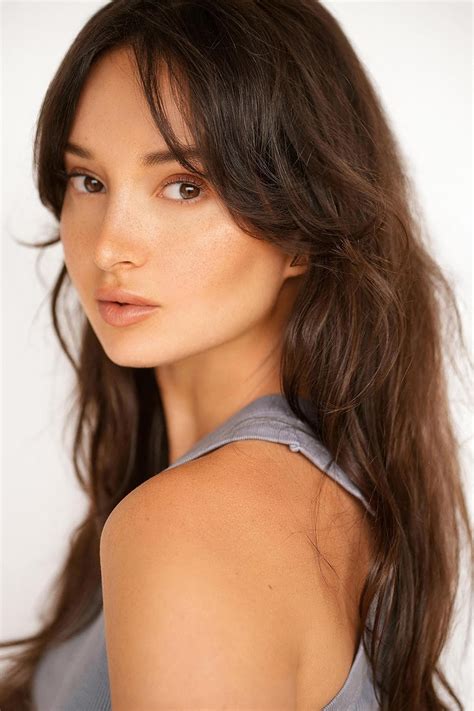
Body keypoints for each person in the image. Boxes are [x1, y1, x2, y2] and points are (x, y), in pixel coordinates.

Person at [1, 1, 472, 709]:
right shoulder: (303, 490)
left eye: (184, 186)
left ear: (303, 229)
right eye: (87, 180)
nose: (108, 246)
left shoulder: (192, 525)